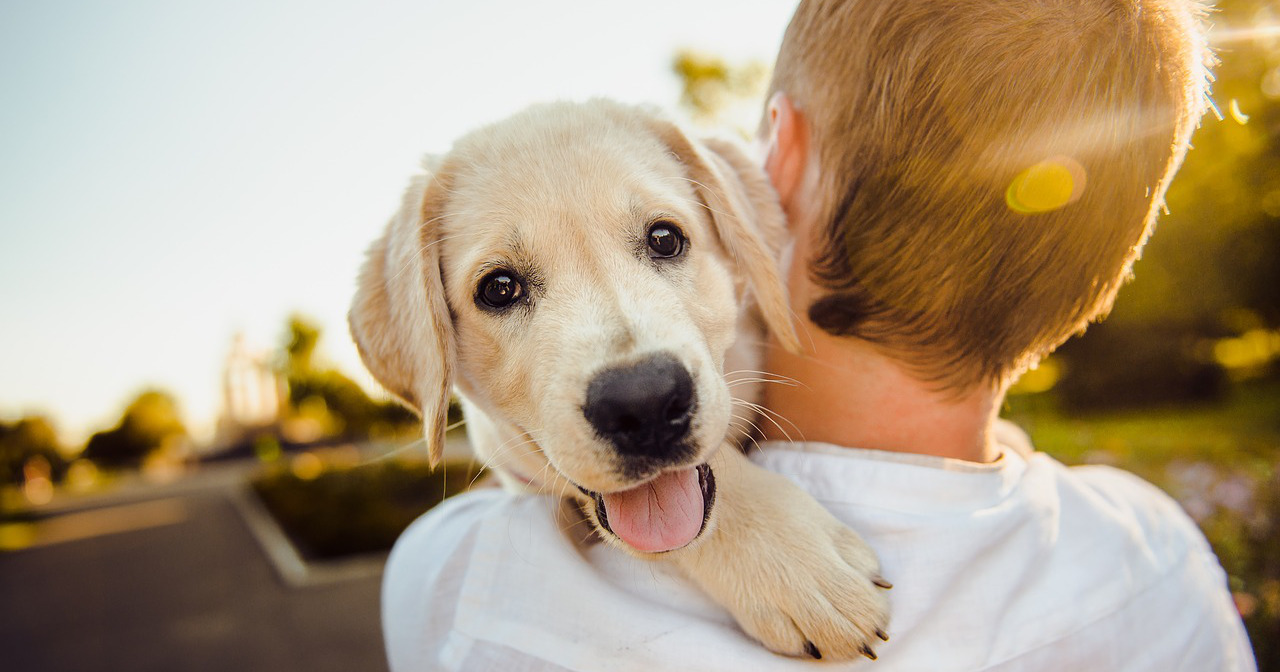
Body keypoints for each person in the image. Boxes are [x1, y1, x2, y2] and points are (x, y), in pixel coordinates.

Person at [381, 0, 1257, 669]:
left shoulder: (461, 585)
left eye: (662, 241)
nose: (634, 373)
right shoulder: (1162, 558)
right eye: (503, 288)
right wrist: (729, 516)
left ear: (774, 169)